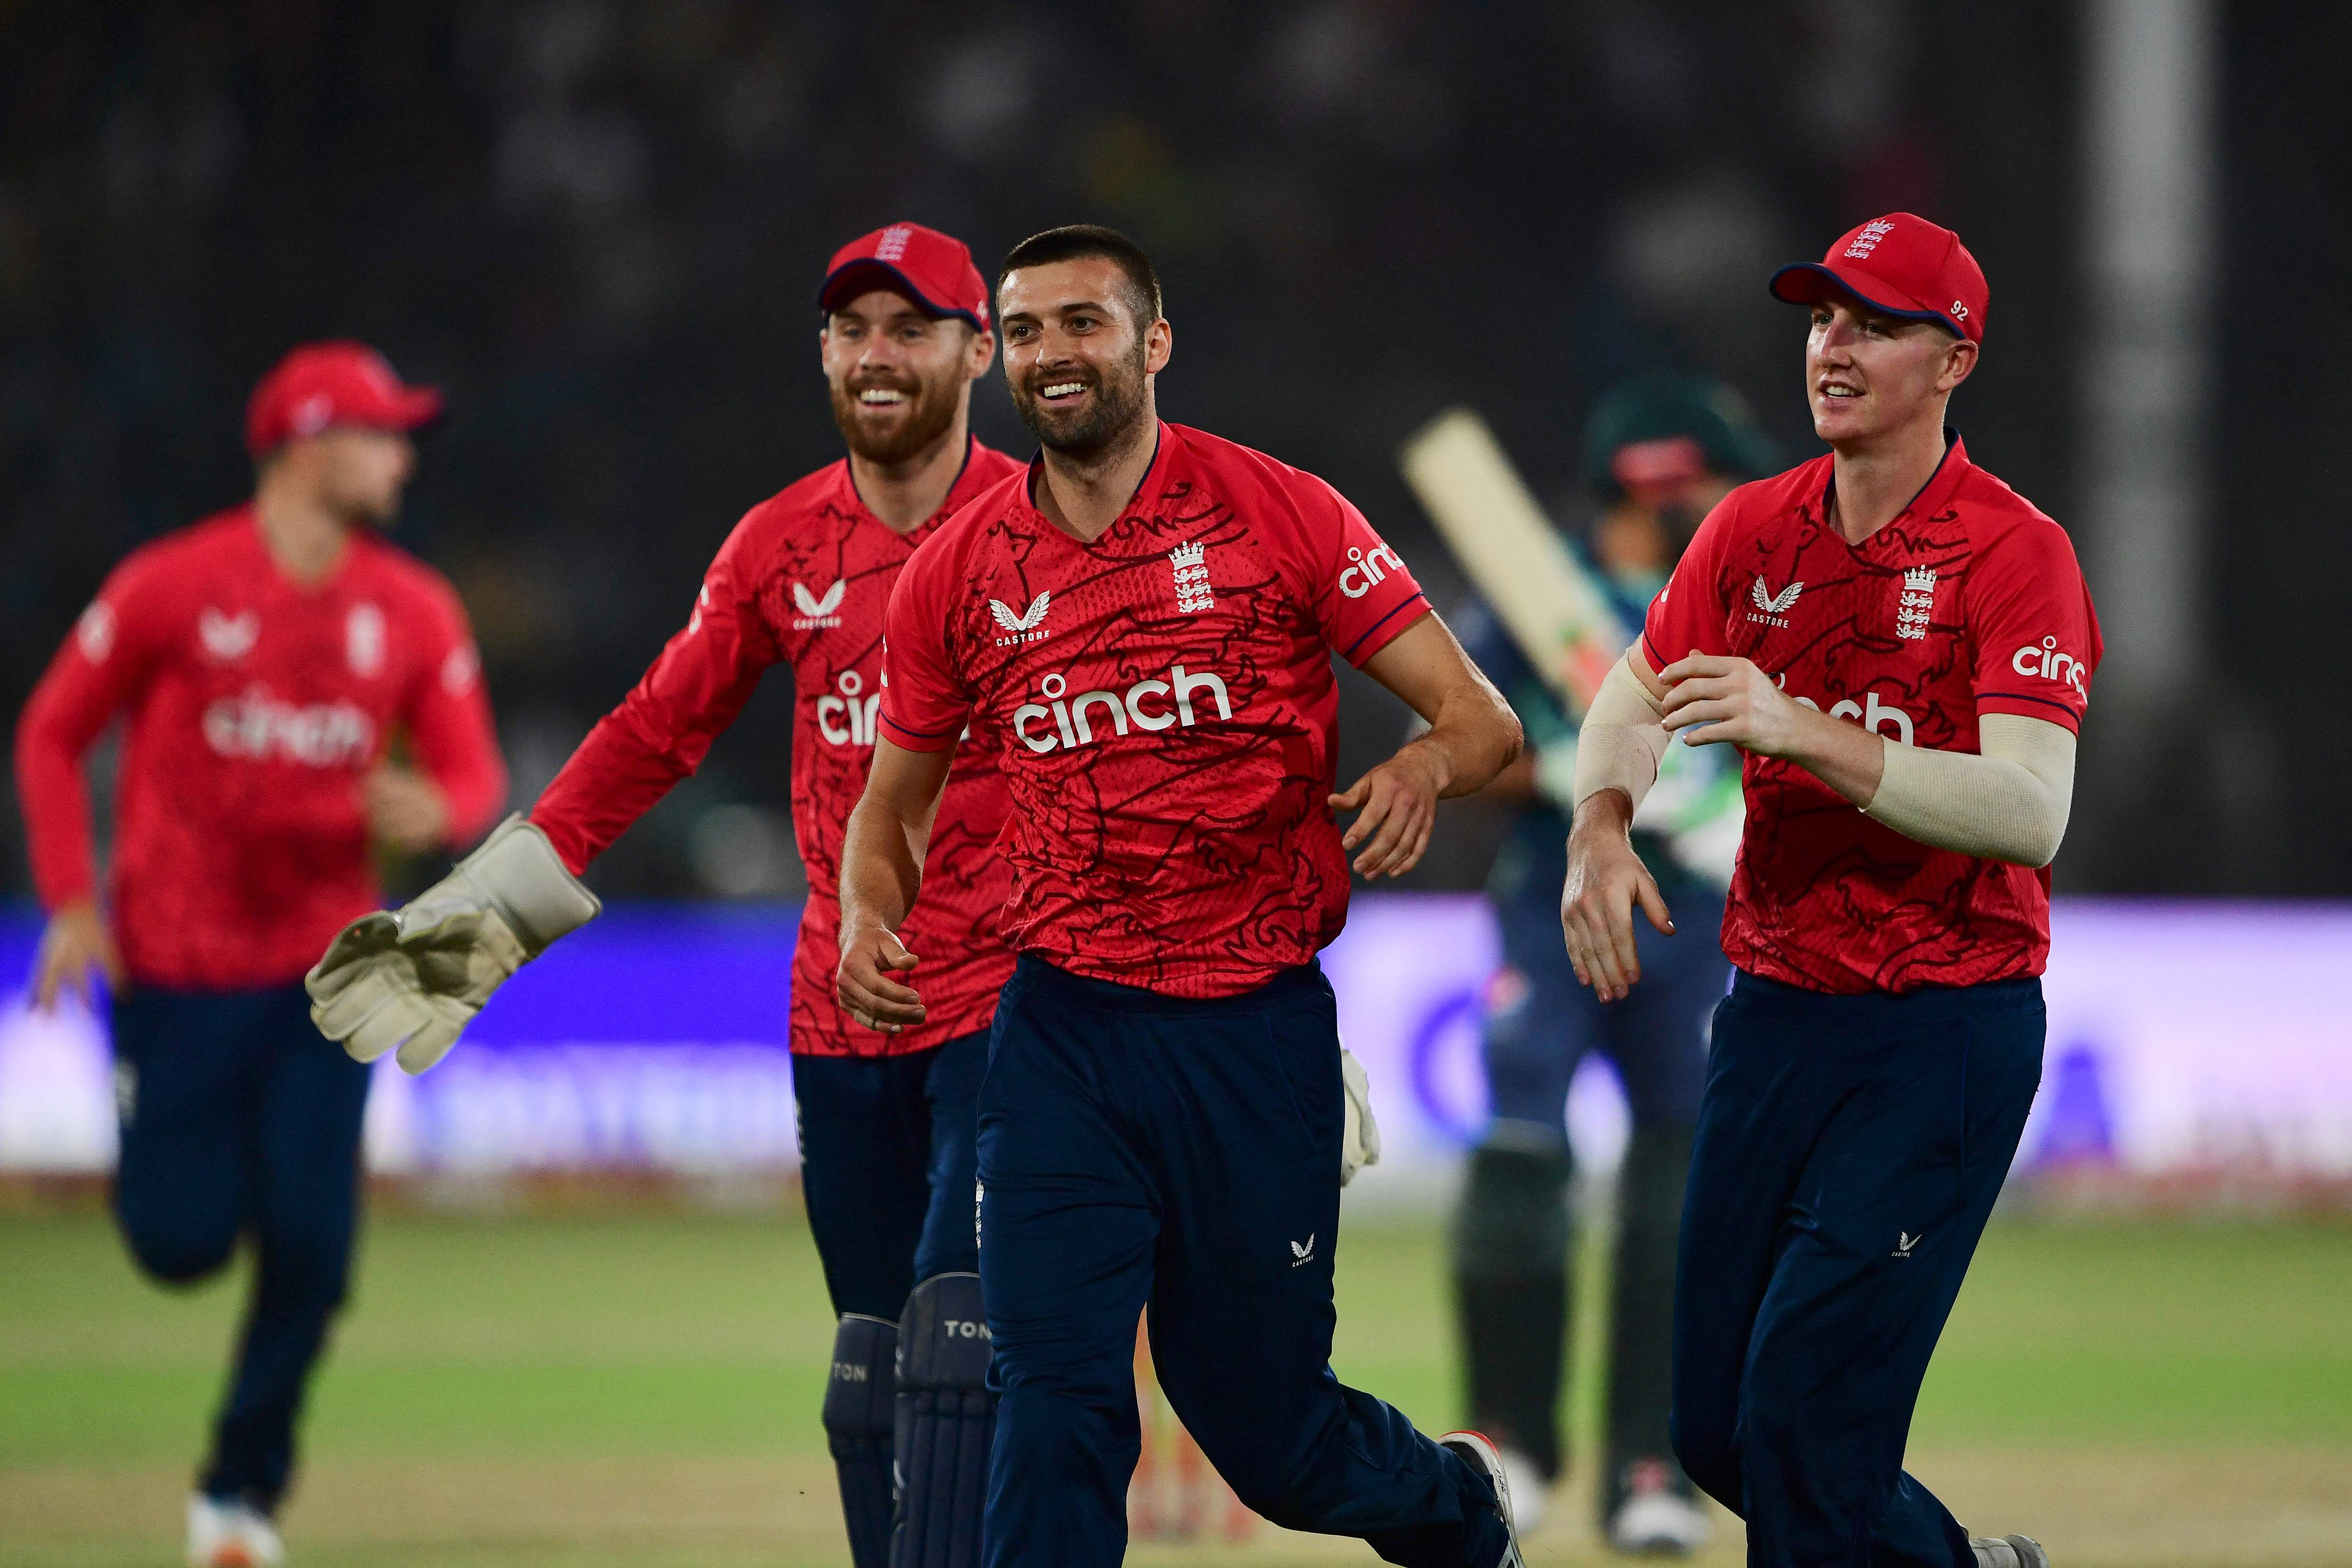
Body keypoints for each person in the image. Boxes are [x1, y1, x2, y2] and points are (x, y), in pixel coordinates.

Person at [302, 224, 1021, 1568]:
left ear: (976, 350)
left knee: (953, 1342)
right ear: (822, 350)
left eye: (909, 327)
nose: (876, 355)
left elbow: (1167, 753)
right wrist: (498, 907)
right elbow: (655, 729)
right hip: (839, 1013)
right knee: (870, 1365)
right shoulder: (777, 543)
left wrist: (1253, 1006)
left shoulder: (1046, 527)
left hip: (1015, 1003)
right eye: (851, 328)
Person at [836, 224, 1530, 1568]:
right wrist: (872, 909)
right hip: (1060, 1040)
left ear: (1152, 343)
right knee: (1054, 1402)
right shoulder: (959, 571)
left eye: (1082, 323)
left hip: (1247, 1035)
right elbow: (891, 808)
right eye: (1023, 329)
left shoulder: (1282, 511)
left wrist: (1422, 768)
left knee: (1269, 1435)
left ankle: (1452, 1506)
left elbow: (1485, 722)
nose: (1049, 354)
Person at [1560, 213, 2098, 1568]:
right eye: (1820, 319)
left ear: (1953, 359)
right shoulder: (1750, 530)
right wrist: (1600, 821)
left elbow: (2029, 812)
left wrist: (1801, 729)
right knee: (1715, 1434)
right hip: (1774, 1018)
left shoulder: (2010, 551)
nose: (1832, 346)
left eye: (1871, 322)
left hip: (1939, 1027)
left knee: (1803, 1423)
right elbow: (1630, 695)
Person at [13, 341, 507, 1568]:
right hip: (174, 970)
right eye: (383, 432)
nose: (402, 456)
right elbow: (48, 735)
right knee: (180, 1243)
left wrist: (440, 808)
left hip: (325, 974)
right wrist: (73, 901)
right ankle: (220, 1180)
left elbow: (473, 770)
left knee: (315, 1251)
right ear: (309, 443)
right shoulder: (174, 585)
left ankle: (238, 1497)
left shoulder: (412, 608)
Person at [1447, 374, 1769, 1552]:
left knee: (1677, 1176)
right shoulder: (1543, 600)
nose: (1742, 496)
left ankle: (1655, 1461)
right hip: (1555, 903)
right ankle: (1512, 1444)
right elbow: (1470, 746)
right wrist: (1583, 782)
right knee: (1521, 1148)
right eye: (1722, 476)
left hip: (1695, 919)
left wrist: (1731, 807)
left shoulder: (1744, 593)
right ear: (1663, 479)